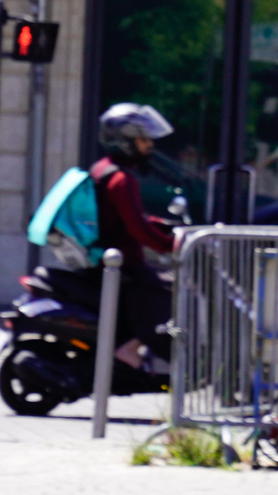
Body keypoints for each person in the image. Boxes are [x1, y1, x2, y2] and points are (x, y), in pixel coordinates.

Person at [90, 103, 178, 367]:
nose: (150, 144)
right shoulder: (122, 180)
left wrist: (159, 223)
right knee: (172, 293)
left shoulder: (103, 168)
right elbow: (136, 229)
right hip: (126, 264)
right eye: (143, 139)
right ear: (125, 141)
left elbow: (124, 215)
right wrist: (170, 245)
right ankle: (131, 349)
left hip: (108, 257)